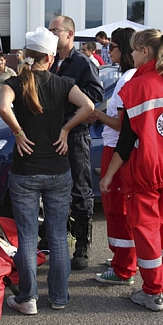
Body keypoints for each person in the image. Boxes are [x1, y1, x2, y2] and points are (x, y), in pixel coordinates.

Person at [99, 28, 163, 311]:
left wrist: (108, 176)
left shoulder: (136, 89)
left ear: (144, 52)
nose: (130, 55)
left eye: (132, 50)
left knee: (147, 231)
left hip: (145, 173)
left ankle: (153, 291)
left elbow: (127, 141)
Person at [0, 27, 94, 315]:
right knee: (57, 235)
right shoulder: (63, 83)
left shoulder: (14, 83)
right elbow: (89, 105)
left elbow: (3, 108)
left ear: (28, 54)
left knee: (28, 236)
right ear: (51, 58)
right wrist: (66, 129)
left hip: (25, 170)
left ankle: (28, 298)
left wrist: (17, 132)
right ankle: (59, 296)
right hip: (57, 168)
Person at [48, 15, 104, 270]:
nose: (50, 34)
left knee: (80, 190)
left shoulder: (82, 63)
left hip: (75, 134)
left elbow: (95, 95)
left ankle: (82, 243)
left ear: (69, 34)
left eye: (55, 30)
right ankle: (55, 239)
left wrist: (69, 104)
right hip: (51, 134)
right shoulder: (50, 62)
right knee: (54, 188)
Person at [87, 28, 138, 285]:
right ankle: (123, 257)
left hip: (117, 148)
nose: (109, 51)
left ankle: (123, 268)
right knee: (118, 206)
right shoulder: (129, 76)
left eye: (114, 47)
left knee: (117, 207)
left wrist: (96, 115)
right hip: (119, 146)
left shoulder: (128, 78)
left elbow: (120, 123)